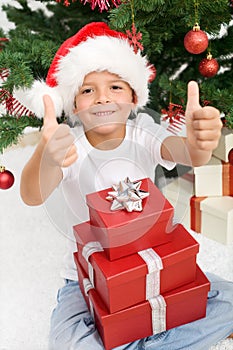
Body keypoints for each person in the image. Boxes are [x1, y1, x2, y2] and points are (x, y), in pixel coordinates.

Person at [18, 22, 233, 350]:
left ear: (134, 98)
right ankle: (153, 336)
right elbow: (32, 196)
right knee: (68, 341)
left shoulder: (143, 130)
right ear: (74, 107)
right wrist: (46, 157)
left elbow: (184, 152)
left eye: (115, 87)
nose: (102, 97)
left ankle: (138, 337)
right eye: (88, 90)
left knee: (227, 299)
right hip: (91, 277)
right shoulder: (70, 145)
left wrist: (198, 144)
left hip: (154, 260)